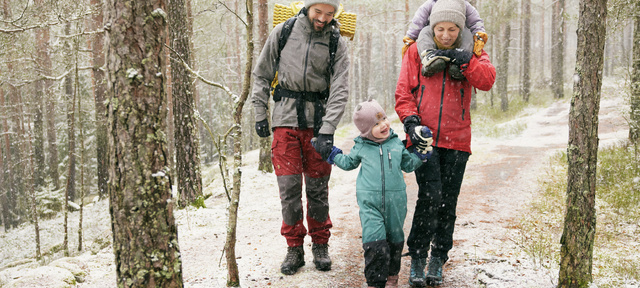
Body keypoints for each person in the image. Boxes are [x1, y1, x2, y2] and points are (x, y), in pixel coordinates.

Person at [394, 0, 496, 286]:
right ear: (431, 27)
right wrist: (411, 122)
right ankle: (417, 257)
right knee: (430, 197)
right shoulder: (416, 50)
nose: (446, 35)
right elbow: (403, 92)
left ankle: (438, 257)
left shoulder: (473, 52)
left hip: (457, 140)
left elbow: (487, 80)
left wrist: (466, 60)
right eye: (440, 29)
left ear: (460, 28)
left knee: (447, 201)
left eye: (452, 29)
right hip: (423, 139)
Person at [251, 0, 349, 276]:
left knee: (318, 188)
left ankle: (320, 243)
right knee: (289, 188)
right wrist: (260, 112)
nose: (323, 18)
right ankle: (294, 247)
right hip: (284, 120)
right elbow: (261, 74)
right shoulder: (283, 31)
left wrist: (328, 128)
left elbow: (340, 87)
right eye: (318, 11)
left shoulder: (336, 41)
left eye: (330, 14)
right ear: (307, 8)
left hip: (318, 125)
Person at [319, 99, 428, 288]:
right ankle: (375, 282)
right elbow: (348, 163)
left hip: (396, 203)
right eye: (376, 124)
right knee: (374, 243)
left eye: (383, 118)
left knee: (395, 241)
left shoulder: (396, 144)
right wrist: (331, 153)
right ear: (366, 130)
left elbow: (408, 165)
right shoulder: (361, 146)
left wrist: (421, 154)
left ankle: (392, 278)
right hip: (370, 203)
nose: (384, 124)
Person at [401, 0, 488, 77]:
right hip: (434, 35)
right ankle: (429, 60)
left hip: (457, 37)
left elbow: (476, 21)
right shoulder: (430, 4)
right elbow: (417, 22)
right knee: (425, 31)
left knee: (467, 34)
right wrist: (410, 38)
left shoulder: (464, 5)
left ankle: (460, 64)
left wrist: (479, 35)